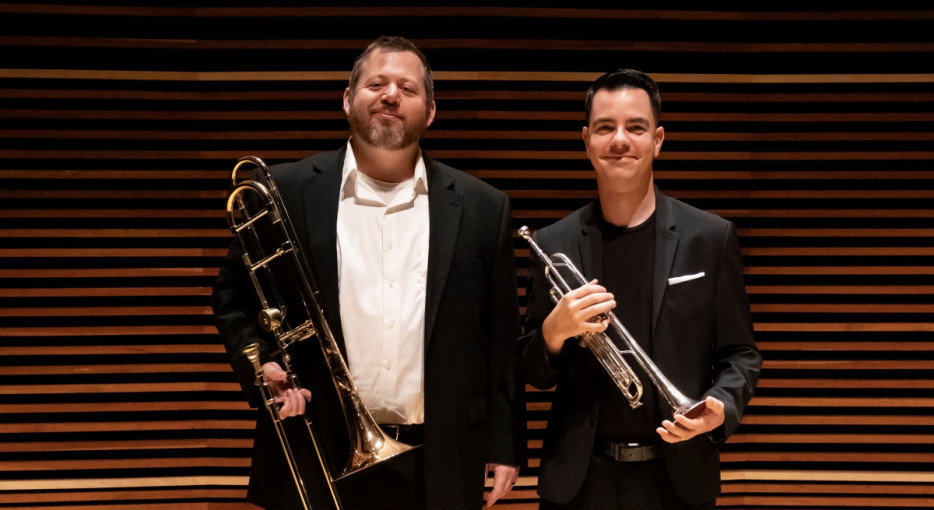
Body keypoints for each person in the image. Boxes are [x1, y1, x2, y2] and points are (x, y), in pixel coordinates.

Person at [212, 35, 525, 510]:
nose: (391, 95)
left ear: (431, 111)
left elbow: (502, 339)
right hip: (314, 446)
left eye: (408, 88)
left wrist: (505, 444)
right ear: (347, 99)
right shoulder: (283, 190)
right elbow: (234, 294)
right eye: (376, 83)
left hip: (440, 456)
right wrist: (263, 364)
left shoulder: (483, 207)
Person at [518, 69, 762, 510]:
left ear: (658, 140)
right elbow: (534, 374)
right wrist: (554, 333)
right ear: (586, 140)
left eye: (636, 127)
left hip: (678, 481)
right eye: (605, 128)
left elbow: (741, 354)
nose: (620, 140)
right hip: (579, 481)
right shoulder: (553, 244)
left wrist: (720, 406)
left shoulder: (709, 238)